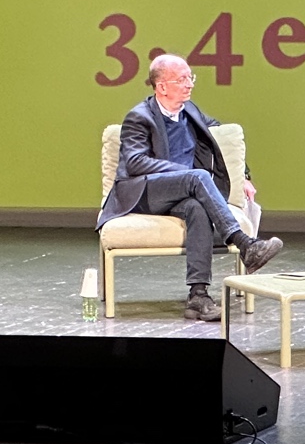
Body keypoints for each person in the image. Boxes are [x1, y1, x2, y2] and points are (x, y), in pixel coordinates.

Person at [97, 53, 284, 321]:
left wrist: (242, 174)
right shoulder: (139, 117)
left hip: (183, 191)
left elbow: (218, 134)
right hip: (144, 192)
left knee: (197, 208)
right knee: (197, 178)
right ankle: (245, 244)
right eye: (182, 79)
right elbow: (136, 162)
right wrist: (184, 173)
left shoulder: (190, 111)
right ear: (162, 86)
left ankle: (198, 296)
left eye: (190, 77)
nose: (190, 84)